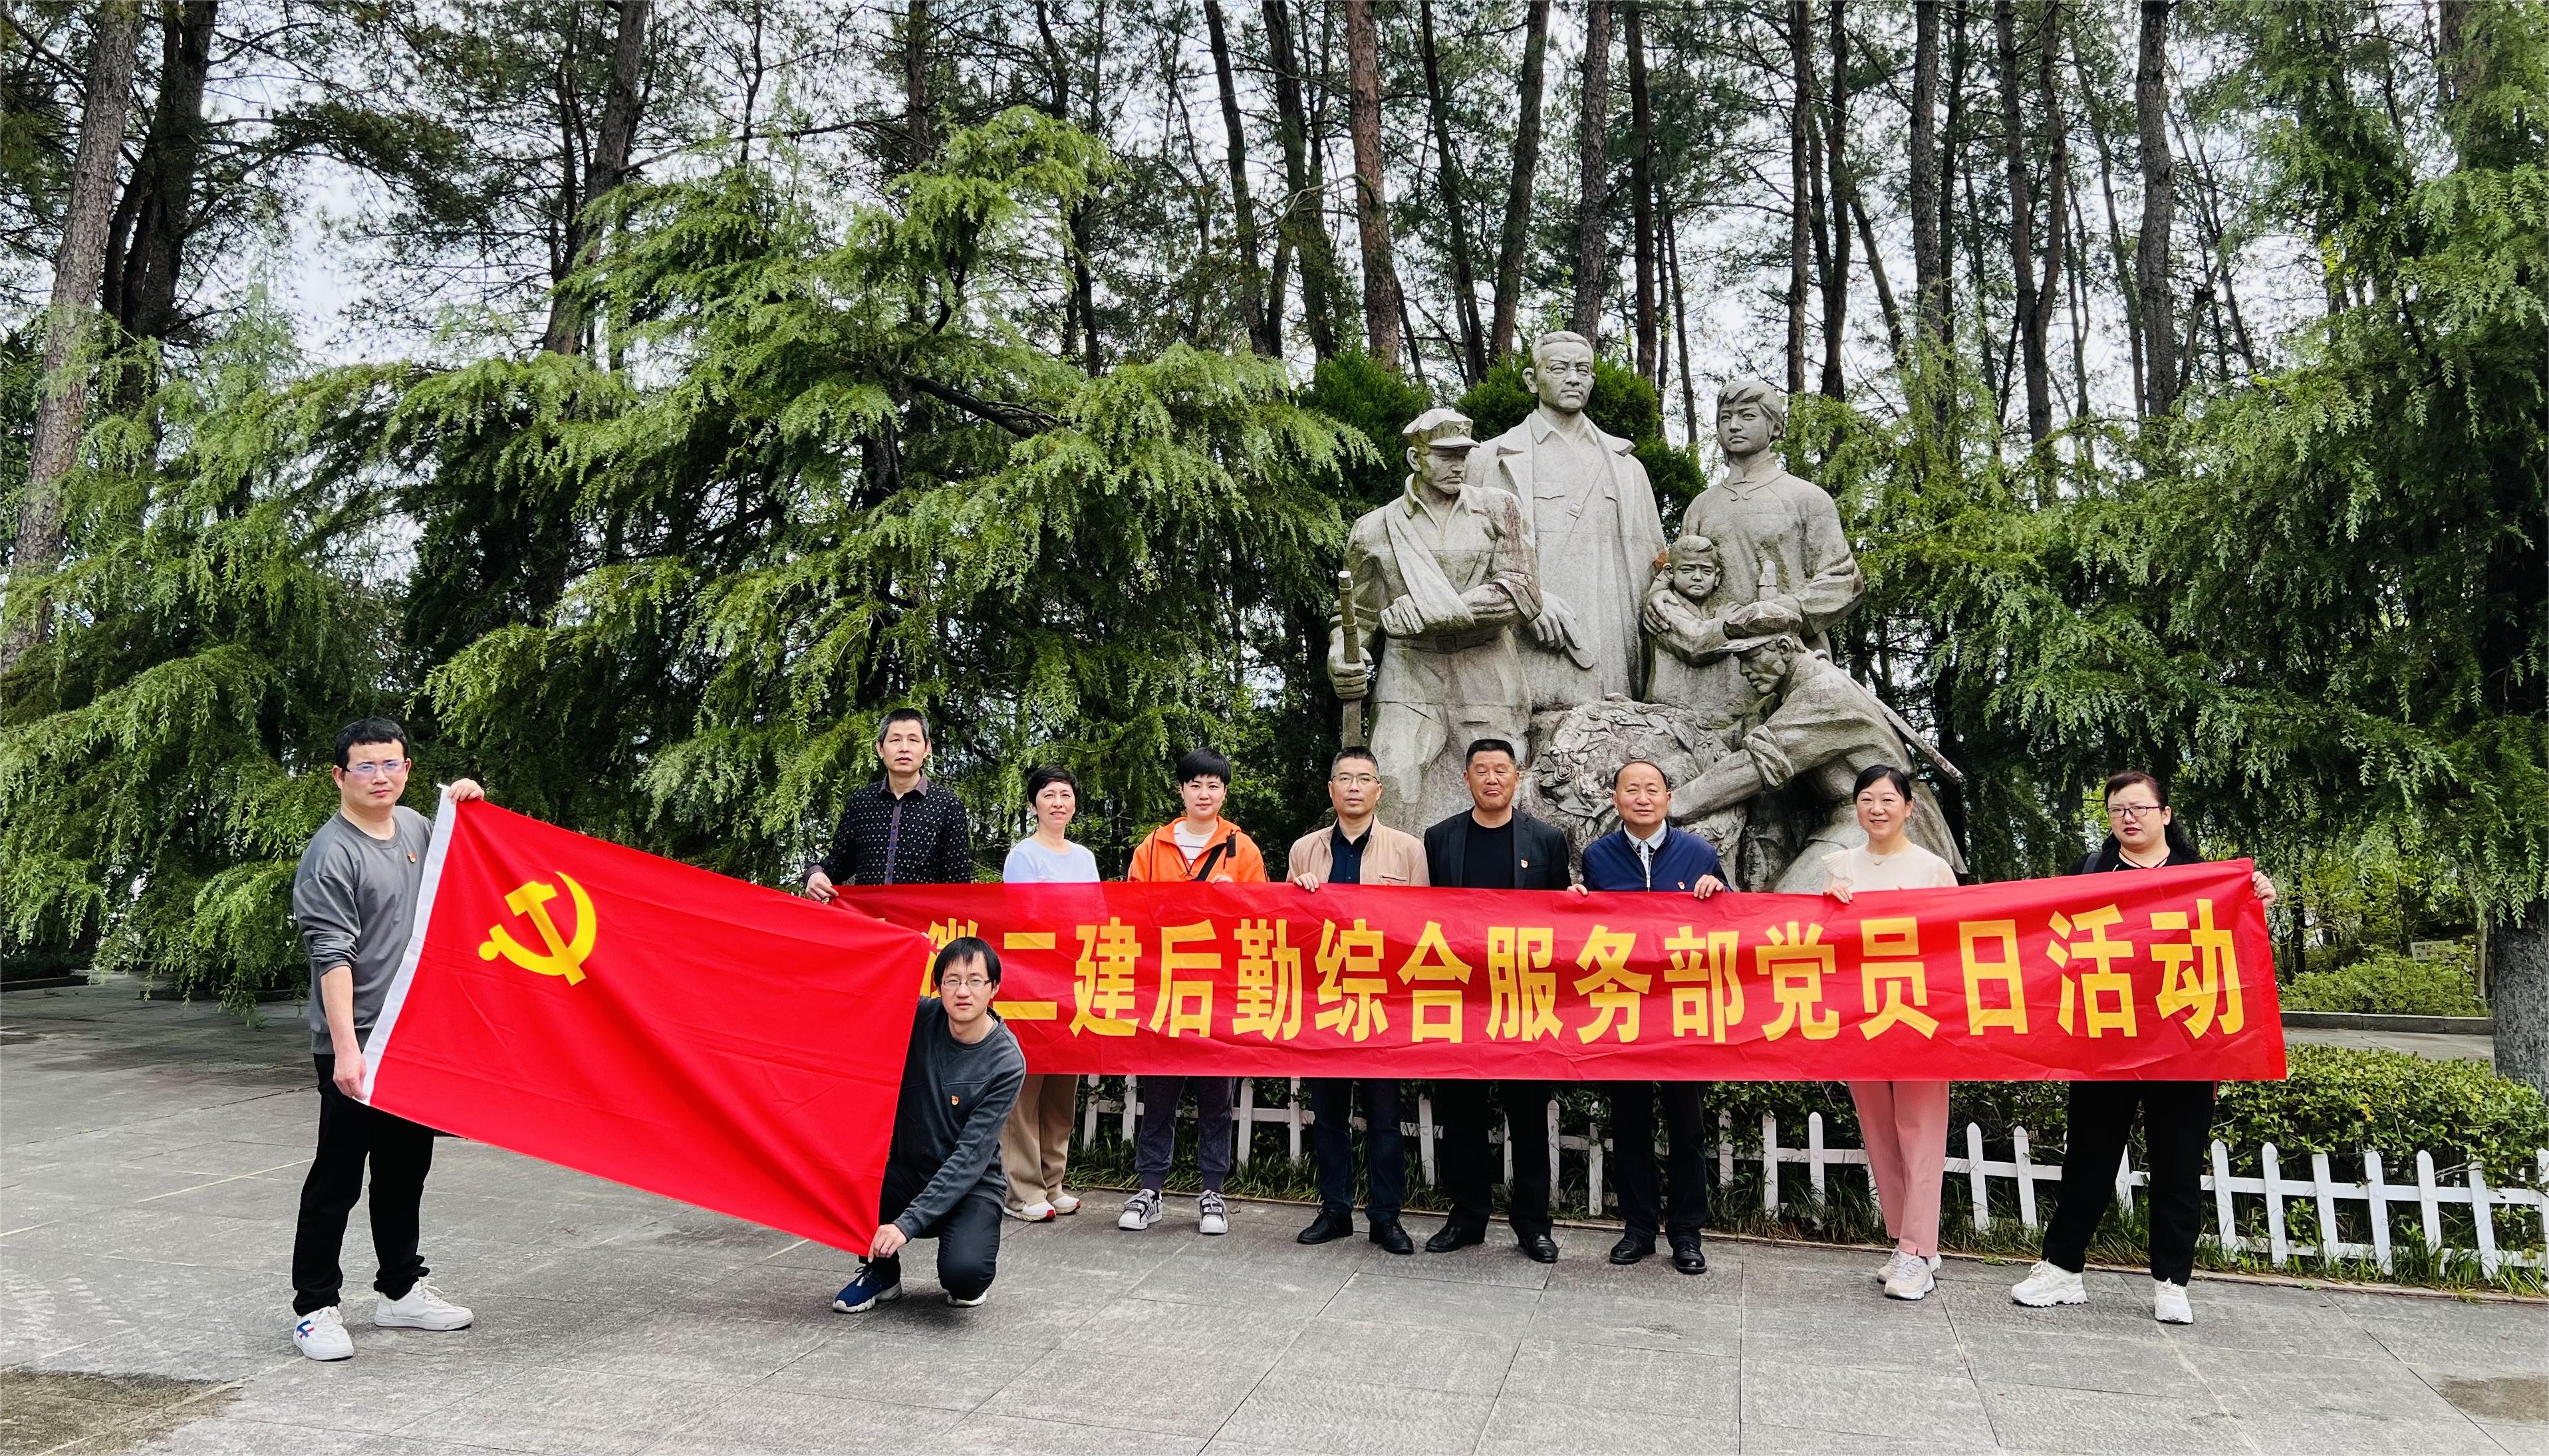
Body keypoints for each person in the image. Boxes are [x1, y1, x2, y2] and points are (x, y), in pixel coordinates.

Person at [2011, 771, 2279, 1326]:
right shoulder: (2089, 873)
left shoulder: (2200, 878)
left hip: (2184, 1043)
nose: (2127, 818)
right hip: (2103, 1041)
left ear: (2165, 814)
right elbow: (2043, 937)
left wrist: (2255, 899)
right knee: (2088, 1158)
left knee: (2176, 1162)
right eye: (2116, 810)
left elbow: (2234, 948)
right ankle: (2061, 1269)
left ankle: (2171, 1281)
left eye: (2138, 807)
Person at [288, 717, 485, 1361]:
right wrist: (347, 1050)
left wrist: (469, 807)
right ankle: (315, 1308)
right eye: (366, 766)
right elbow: (332, 956)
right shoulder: (331, 855)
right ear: (339, 776)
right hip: (358, 1040)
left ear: (407, 769)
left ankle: (400, 1291)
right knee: (338, 1179)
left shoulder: (416, 828)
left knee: (405, 1171)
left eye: (392, 764)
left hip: (412, 1034)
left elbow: (468, 872)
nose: (381, 777)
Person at [1330, 406, 1540, 834]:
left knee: (1500, 786)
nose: (1458, 465)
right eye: (1445, 455)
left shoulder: (1499, 510)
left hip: (1486, 666)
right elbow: (1358, 615)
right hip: (1411, 668)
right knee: (1391, 778)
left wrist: (1430, 612)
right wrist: (1341, 655)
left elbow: (1523, 593)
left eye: (1463, 454)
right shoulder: (1373, 530)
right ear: (1416, 458)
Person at [1420, 739, 1573, 1263]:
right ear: (1466, 778)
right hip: (1460, 999)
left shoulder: (1547, 839)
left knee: (1527, 1116)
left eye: (1501, 770)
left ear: (1517, 776)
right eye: (1481, 770)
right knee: (1461, 1115)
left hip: (1524, 999)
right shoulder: (1440, 838)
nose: (1491, 779)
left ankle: (1532, 1225)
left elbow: (1562, 922)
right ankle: (1466, 1217)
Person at [1464, 331, 1668, 713]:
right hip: (1527, 638)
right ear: (1531, 379)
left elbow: (1655, 563)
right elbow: (1467, 560)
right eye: (1559, 369)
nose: (1574, 378)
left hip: (1611, 644)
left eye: (1583, 370)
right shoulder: (1488, 459)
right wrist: (1526, 600)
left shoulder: (1627, 467)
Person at [1574, 759, 1725, 1274]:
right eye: (1631, 789)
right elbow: (1587, 930)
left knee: (1688, 1128)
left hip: (1683, 1011)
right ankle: (1637, 1228)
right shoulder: (1598, 857)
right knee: (1629, 1124)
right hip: (1623, 1009)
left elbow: (1734, 926)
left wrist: (1718, 893)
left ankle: (1686, 1234)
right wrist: (1573, 904)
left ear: (1667, 798)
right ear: (1615, 798)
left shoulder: (1699, 853)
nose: (1642, 798)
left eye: (1652, 789)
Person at [1670, 632, 1962, 892]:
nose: (1743, 670)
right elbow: (1735, 737)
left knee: (1792, 908)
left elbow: (1754, 766)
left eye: (1751, 657)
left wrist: (1671, 805)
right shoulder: (1788, 695)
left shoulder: (1824, 693)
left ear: (1784, 648)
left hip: (1877, 823)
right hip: (1848, 822)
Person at [1822, 765, 1961, 1301]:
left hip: (1919, 1017)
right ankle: (1910, 1242)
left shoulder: (1931, 869)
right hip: (1860, 1017)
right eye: (1866, 799)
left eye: (1887, 799)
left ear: (1909, 807)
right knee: (1879, 1132)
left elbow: (1955, 944)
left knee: (1919, 1131)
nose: (1876, 809)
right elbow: (1818, 943)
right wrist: (1826, 906)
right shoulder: (1836, 866)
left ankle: (1916, 1251)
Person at [833, 937, 1027, 1312]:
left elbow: (969, 1158)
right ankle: (881, 1274)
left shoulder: (1006, 1061)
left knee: (965, 1277)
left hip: (971, 1184)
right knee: (849, 1181)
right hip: (909, 1173)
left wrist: (907, 1224)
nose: (963, 992)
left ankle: (965, 1256)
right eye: (952, 981)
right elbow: (860, 994)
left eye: (975, 981)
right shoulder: (919, 1017)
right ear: (938, 986)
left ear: (994, 989)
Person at [1118, 747, 1268, 1236]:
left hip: (1219, 990)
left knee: (1216, 1097)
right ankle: (1150, 1189)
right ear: (1181, 790)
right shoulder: (1152, 846)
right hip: (1163, 988)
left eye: (1213, 786)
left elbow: (1263, 917)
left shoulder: (1242, 849)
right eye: (1195, 785)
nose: (1204, 794)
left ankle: (1213, 1192)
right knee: (1158, 1094)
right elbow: (1131, 911)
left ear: (1225, 793)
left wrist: (1234, 899)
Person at [1287, 746, 1428, 1256]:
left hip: (1382, 1003)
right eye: (1344, 778)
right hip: (1324, 1001)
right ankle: (1335, 1210)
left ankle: (1386, 1217)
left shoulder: (1408, 850)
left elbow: (1423, 928)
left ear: (1378, 790)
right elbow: (1289, 933)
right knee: (1328, 1115)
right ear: (1331, 789)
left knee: (1384, 1118)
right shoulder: (1305, 850)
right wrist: (1298, 894)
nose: (1353, 787)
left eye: (1363, 778)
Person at [999, 765, 1098, 1223]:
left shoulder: (1084, 857)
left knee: (1062, 1085)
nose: (1058, 802)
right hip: (1032, 983)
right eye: (1049, 795)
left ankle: (1053, 1182)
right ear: (1034, 803)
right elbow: (1023, 920)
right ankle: (1022, 1191)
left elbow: (1096, 916)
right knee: (1027, 1085)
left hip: (1072, 981)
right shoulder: (1024, 855)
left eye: (1065, 794)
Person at [804, 708, 973, 898]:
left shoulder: (947, 805)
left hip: (922, 917)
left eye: (913, 740)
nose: (904, 748)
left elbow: (958, 883)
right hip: (867, 915)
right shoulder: (861, 803)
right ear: (880, 749)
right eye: (895, 740)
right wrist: (815, 874)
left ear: (927, 748)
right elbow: (839, 863)